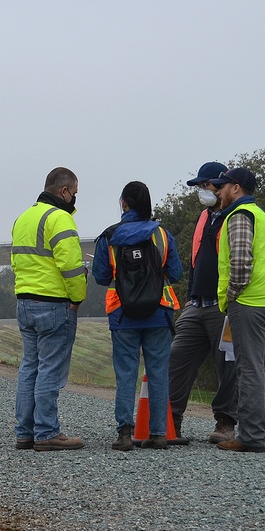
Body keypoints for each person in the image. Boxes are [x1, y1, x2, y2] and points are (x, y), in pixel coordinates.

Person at [93, 181, 183, 450]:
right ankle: (158, 434)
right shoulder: (163, 236)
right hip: (159, 313)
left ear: (124, 203)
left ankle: (124, 434)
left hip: (123, 315)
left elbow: (100, 276)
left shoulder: (109, 237)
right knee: (158, 372)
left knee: (126, 374)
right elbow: (176, 273)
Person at [209, 167, 265, 453]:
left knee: (249, 369)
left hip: (249, 302)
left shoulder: (239, 216)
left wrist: (231, 296)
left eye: (223, 186)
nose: (218, 191)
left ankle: (251, 437)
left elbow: (240, 264)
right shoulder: (261, 215)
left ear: (236, 187)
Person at [10, 167, 87, 451]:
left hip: (25, 301)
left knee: (30, 365)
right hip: (54, 304)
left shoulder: (23, 218)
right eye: (74, 193)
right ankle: (47, 432)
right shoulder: (60, 218)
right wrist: (77, 297)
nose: (75, 199)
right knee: (50, 369)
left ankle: (24, 432)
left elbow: (17, 263)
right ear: (64, 191)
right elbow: (71, 266)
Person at [169, 162, 240, 444]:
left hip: (223, 306)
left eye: (205, 185)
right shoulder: (203, 217)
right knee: (176, 359)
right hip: (196, 304)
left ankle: (225, 422)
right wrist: (189, 298)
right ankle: (170, 420)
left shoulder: (236, 216)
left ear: (220, 185)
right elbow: (195, 261)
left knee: (228, 365)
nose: (202, 191)